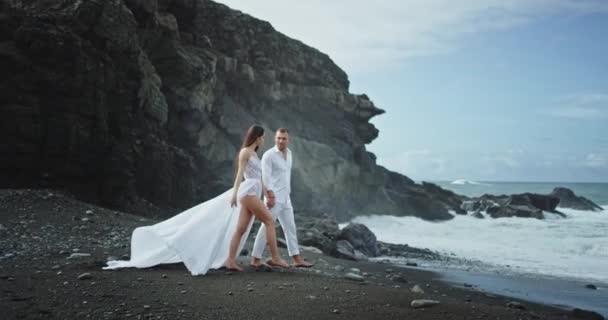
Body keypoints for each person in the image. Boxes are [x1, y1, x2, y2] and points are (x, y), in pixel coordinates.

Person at [104, 125, 289, 275]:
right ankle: (275, 257)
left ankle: (230, 261)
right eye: (262, 137)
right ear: (257, 137)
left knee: (240, 229)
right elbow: (240, 174)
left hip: (254, 192)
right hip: (247, 192)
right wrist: (234, 194)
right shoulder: (245, 153)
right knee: (269, 220)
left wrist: (267, 193)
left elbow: (262, 178)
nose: (263, 140)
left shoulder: (255, 154)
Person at [250, 128, 313, 268]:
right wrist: (270, 196)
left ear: (288, 140)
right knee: (266, 227)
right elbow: (265, 178)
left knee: (290, 227)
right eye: (278, 138)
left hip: (286, 197)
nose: (281, 140)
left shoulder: (289, 154)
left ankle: (296, 259)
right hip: (274, 198)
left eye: (284, 138)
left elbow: (285, 176)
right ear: (275, 138)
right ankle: (255, 259)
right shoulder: (269, 155)